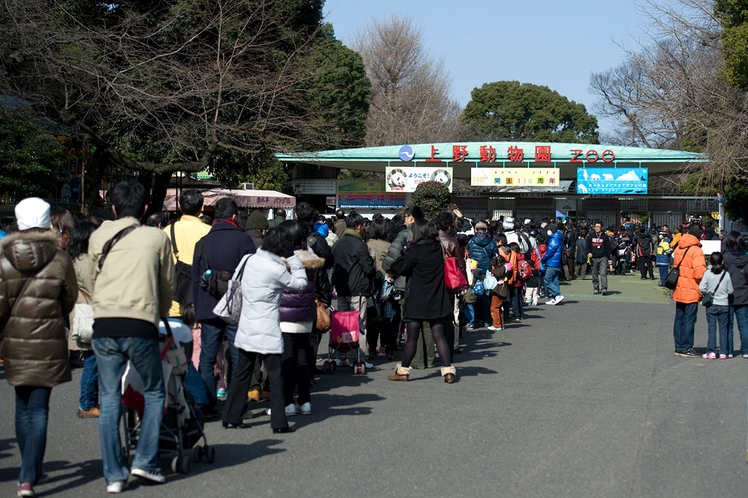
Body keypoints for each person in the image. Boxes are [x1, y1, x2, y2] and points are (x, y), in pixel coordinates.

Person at [88, 180, 175, 492]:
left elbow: (93, 278)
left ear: (113, 207)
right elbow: (167, 285)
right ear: (145, 208)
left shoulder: (98, 236)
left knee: (110, 397)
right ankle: (145, 461)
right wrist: (159, 311)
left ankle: (114, 475)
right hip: (140, 324)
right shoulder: (156, 237)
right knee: (154, 392)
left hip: (104, 325)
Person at [0, 197, 77, 498]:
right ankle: (29, 473)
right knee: (39, 409)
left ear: (18, 222)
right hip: (49, 338)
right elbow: (69, 298)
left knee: (22, 406)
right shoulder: (59, 258)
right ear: (47, 222)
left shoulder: (4, 257)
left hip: (15, 339)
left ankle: (28, 471)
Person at [221, 225, 308, 431]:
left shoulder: (248, 260)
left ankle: (231, 416)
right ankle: (279, 422)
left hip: (247, 323)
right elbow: (301, 284)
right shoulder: (276, 269)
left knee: (241, 373)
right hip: (268, 327)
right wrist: (293, 259)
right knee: (276, 377)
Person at [192, 197, 256, 411]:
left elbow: (195, 279)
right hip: (236, 307)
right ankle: (237, 405)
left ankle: (207, 403)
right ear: (235, 216)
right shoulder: (243, 240)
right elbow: (252, 274)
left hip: (208, 304)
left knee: (208, 356)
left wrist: (196, 309)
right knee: (238, 356)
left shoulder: (202, 242)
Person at [387, 219, 456, 383]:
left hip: (417, 298)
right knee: (439, 335)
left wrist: (403, 254)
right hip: (437, 298)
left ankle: (403, 371)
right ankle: (448, 371)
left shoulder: (415, 249)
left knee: (412, 337)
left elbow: (401, 269)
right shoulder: (439, 248)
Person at [278, 220, 326, 416]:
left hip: (285, 315)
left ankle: (288, 402)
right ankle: (305, 401)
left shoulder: (283, 259)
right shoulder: (311, 257)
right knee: (303, 359)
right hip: (306, 314)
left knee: (287, 359)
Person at [164, 189, 211, 364]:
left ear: (180, 207)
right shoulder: (208, 230)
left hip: (173, 302)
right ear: (201, 207)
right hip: (201, 301)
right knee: (200, 355)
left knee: (174, 358)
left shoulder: (169, 231)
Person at [332, 211, 376, 368]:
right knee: (359, 325)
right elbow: (368, 268)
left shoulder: (338, 243)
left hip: (341, 289)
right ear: (358, 227)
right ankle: (359, 358)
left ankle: (342, 356)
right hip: (357, 289)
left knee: (343, 324)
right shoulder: (359, 244)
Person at [68, 221, 101, 418]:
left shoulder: (71, 258)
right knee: (93, 360)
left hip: (79, 312)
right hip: (90, 314)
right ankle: (87, 404)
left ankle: (89, 401)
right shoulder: (87, 261)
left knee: (92, 359)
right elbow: (95, 289)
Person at [671, 223, 706, 358]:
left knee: (679, 318)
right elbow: (699, 273)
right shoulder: (696, 250)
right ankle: (686, 347)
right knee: (689, 319)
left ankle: (678, 346)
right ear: (699, 235)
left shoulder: (679, 247)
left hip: (679, 286)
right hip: (691, 288)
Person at [699, 252, 733, 359]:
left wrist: (708, 292)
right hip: (723, 304)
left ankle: (711, 351)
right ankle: (723, 352)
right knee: (723, 329)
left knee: (711, 328)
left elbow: (701, 287)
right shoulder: (726, 274)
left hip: (712, 305)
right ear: (722, 262)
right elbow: (730, 290)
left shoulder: (708, 274)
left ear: (710, 262)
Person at [467, 221, 498, 326]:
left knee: (473, 295)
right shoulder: (491, 242)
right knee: (485, 296)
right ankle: (486, 320)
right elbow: (495, 256)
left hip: (473, 270)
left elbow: (468, 254)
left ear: (475, 230)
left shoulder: (470, 241)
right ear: (486, 230)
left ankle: (474, 319)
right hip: (486, 271)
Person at [722, 231, 748, 358]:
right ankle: (746, 351)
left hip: (728, 295)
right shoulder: (747, 257)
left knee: (728, 324)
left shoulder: (726, 258)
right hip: (744, 295)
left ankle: (729, 351)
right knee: (744, 325)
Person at [541, 224, 565, 305]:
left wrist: (544, 259)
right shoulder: (558, 238)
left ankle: (558, 295)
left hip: (552, 262)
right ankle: (555, 297)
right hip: (557, 262)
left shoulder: (553, 239)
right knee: (555, 280)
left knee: (547, 279)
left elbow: (550, 252)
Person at [586, 221, 612, 295]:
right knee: (594, 274)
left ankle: (604, 288)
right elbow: (587, 246)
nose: (597, 228)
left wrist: (609, 258)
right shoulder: (591, 236)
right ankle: (596, 288)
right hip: (594, 258)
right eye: (596, 227)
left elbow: (608, 248)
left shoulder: (605, 237)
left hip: (603, 257)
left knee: (603, 273)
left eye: (598, 227)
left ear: (602, 228)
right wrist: (588, 252)